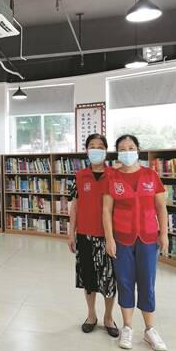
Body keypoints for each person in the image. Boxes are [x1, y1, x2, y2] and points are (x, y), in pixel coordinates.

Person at [102, 134, 168, 351]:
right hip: (121, 238)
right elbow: (106, 210)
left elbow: (161, 207)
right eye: (122, 149)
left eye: (131, 148)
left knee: (147, 282)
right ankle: (127, 327)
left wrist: (164, 234)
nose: (127, 152)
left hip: (148, 237)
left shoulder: (151, 175)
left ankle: (150, 330)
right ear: (117, 153)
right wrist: (109, 239)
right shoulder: (112, 177)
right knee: (125, 281)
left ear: (138, 150)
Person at [68, 133, 118, 337]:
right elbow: (74, 207)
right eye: (92, 146)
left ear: (106, 150)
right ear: (87, 150)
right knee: (88, 280)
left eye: (100, 146)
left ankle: (108, 317)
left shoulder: (114, 175)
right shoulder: (79, 175)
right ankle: (91, 315)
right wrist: (71, 234)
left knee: (109, 280)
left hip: (108, 237)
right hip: (84, 235)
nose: (96, 149)